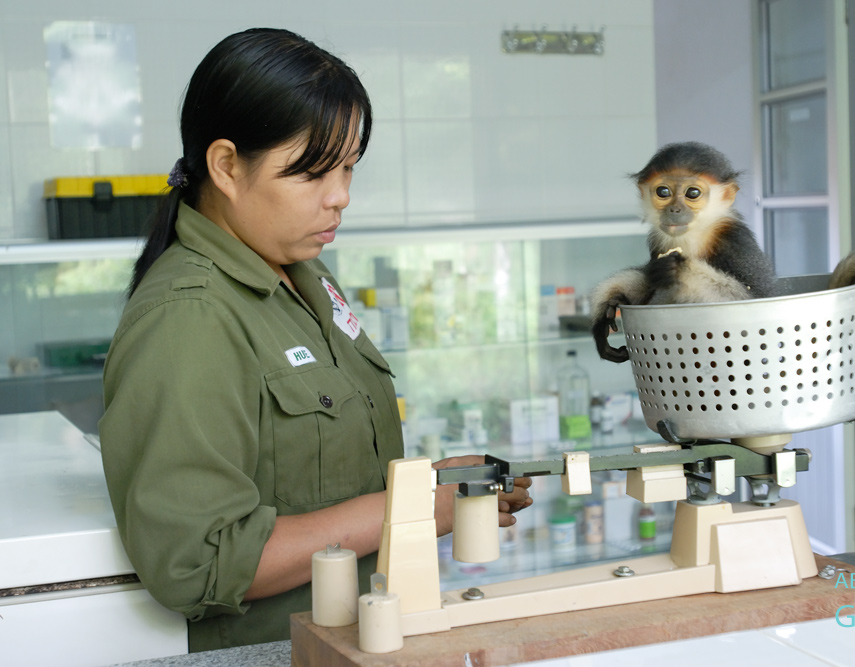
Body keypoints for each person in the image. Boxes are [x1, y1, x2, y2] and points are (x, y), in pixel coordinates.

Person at [98, 28, 531, 652]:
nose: (341, 198)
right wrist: (407, 511)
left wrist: (431, 486)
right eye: (312, 174)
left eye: (349, 168)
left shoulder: (303, 274)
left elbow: (319, 481)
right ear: (226, 166)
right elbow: (198, 562)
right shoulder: (188, 316)